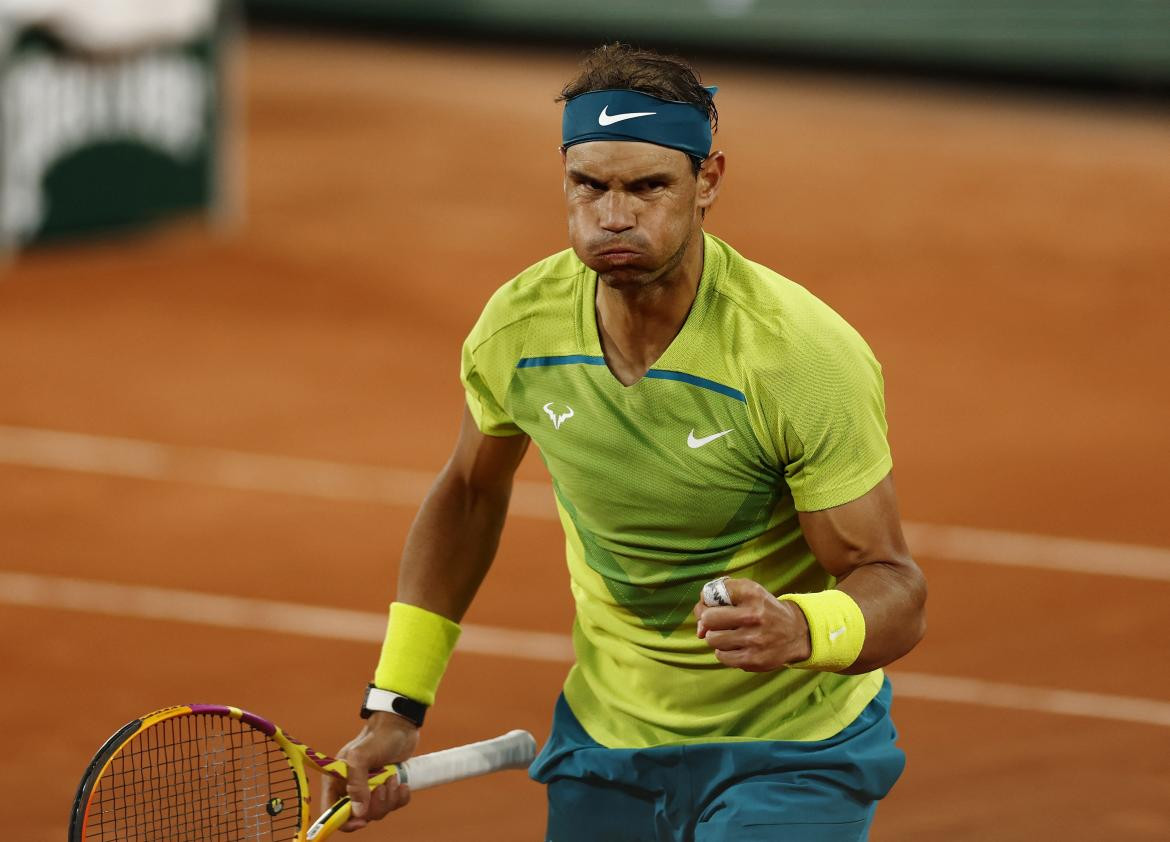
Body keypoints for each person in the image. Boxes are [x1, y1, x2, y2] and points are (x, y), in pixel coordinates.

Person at [325, 42, 927, 841]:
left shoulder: (796, 357)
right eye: (590, 185)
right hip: (608, 739)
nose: (614, 215)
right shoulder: (519, 328)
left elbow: (893, 585)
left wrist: (804, 628)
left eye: (649, 187)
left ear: (708, 181)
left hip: (791, 750)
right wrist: (395, 705)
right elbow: (469, 492)